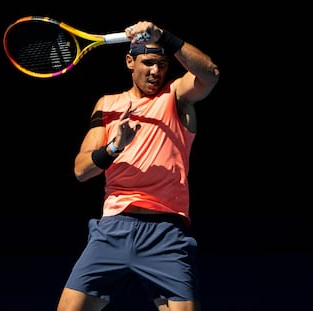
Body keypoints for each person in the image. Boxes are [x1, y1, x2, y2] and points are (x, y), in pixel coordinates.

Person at [57, 20, 220, 311]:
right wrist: (114, 147)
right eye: (147, 63)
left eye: (162, 64)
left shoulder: (176, 97)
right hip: (113, 229)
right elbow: (82, 170)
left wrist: (165, 37)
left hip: (166, 233)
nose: (156, 71)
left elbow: (210, 74)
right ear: (130, 61)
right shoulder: (107, 105)